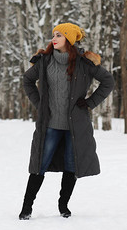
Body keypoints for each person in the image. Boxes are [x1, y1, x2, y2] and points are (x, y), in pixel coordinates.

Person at [19, 22, 114, 220]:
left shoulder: (83, 63)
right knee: (39, 165)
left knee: (71, 164)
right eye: (53, 35)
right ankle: (26, 207)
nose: (54, 38)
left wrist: (89, 103)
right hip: (50, 125)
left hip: (75, 125)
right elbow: (27, 81)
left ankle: (63, 205)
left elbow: (108, 82)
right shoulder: (45, 61)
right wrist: (40, 103)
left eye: (59, 35)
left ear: (69, 40)